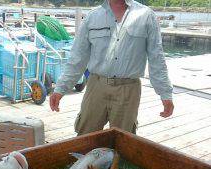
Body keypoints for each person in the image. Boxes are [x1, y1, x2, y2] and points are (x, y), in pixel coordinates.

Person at [50, 0, 174, 135]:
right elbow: (77, 58)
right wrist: (61, 88)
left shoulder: (146, 15)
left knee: (123, 142)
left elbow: (157, 58)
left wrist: (165, 93)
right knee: (85, 138)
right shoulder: (92, 16)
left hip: (128, 89)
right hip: (96, 86)